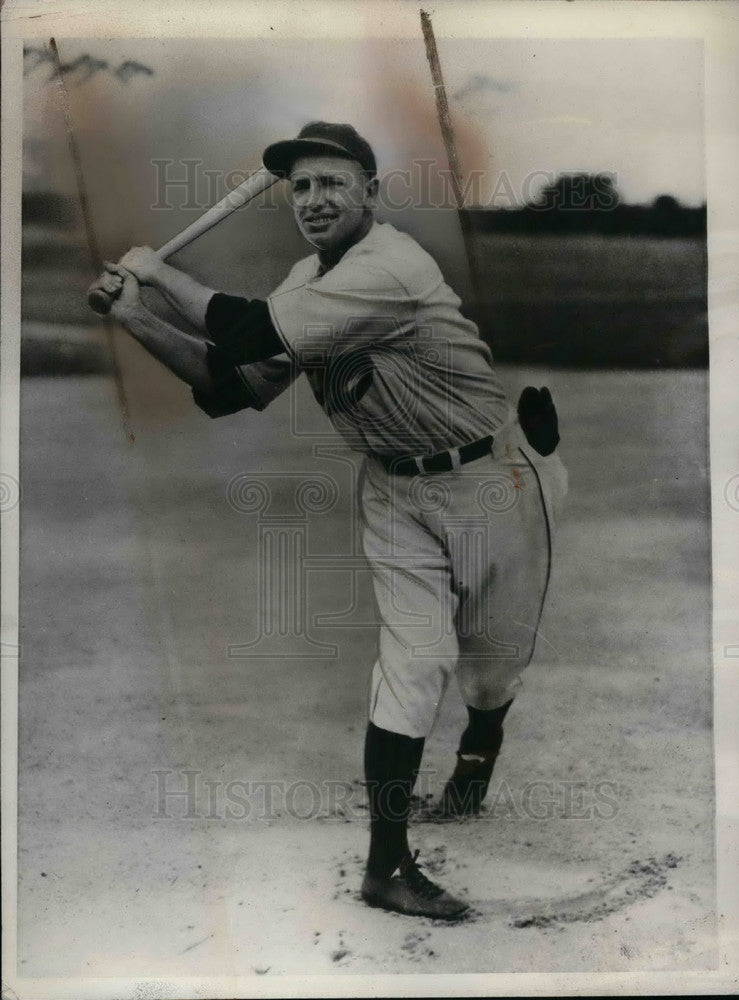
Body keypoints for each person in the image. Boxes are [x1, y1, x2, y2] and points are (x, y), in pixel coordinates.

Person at [97, 121, 568, 920]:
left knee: (492, 668)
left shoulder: (393, 266)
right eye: (300, 187)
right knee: (414, 663)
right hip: (394, 493)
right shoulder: (304, 280)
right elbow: (228, 385)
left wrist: (158, 273)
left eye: (329, 183)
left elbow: (245, 328)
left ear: (369, 193)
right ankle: (386, 868)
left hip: (495, 482)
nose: (312, 200)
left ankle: (477, 754)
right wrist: (134, 315)